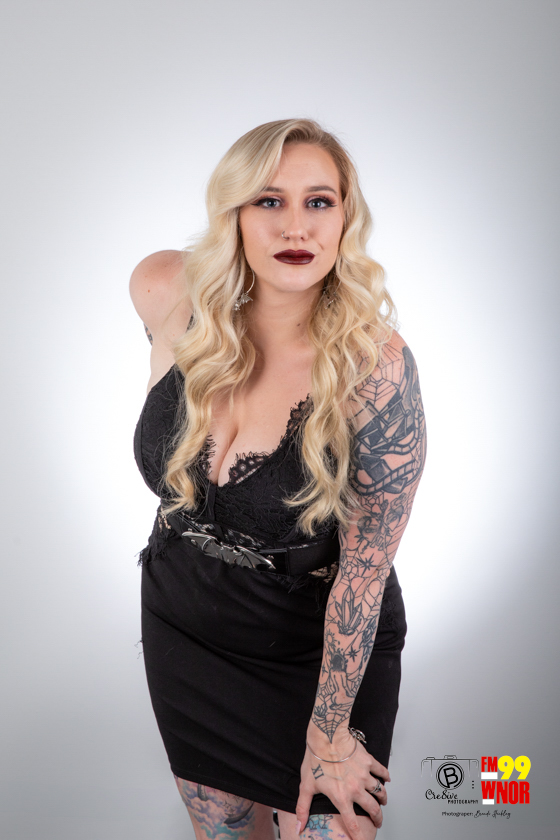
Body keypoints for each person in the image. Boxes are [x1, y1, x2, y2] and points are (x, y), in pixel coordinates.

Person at [130, 118, 426, 840]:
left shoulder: (373, 370)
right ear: (233, 212)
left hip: (316, 649)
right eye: (268, 200)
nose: (296, 226)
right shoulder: (169, 292)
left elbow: (364, 571)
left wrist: (329, 738)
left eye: (319, 201)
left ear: (345, 218)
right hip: (186, 625)